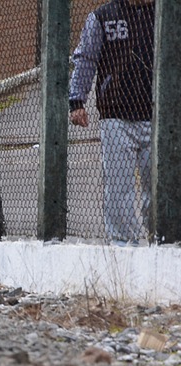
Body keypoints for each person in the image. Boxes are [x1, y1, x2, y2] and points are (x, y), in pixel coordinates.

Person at [69, 0, 155, 245]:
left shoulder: (166, 13)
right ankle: (123, 246)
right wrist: (77, 101)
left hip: (160, 117)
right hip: (116, 114)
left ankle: (164, 240)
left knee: (160, 190)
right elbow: (86, 58)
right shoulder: (103, 17)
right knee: (119, 188)